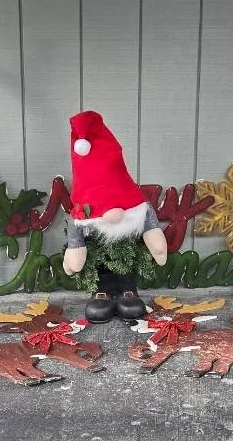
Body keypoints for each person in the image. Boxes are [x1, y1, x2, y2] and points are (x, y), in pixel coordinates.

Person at [62, 110, 167, 323]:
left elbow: (147, 217)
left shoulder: (137, 209)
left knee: (130, 258)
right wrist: (75, 251)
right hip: (96, 250)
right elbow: (76, 229)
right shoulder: (83, 214)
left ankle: (128, 289)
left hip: (128, 247)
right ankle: (101, 291)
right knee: (97, 260)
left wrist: (156, 243)